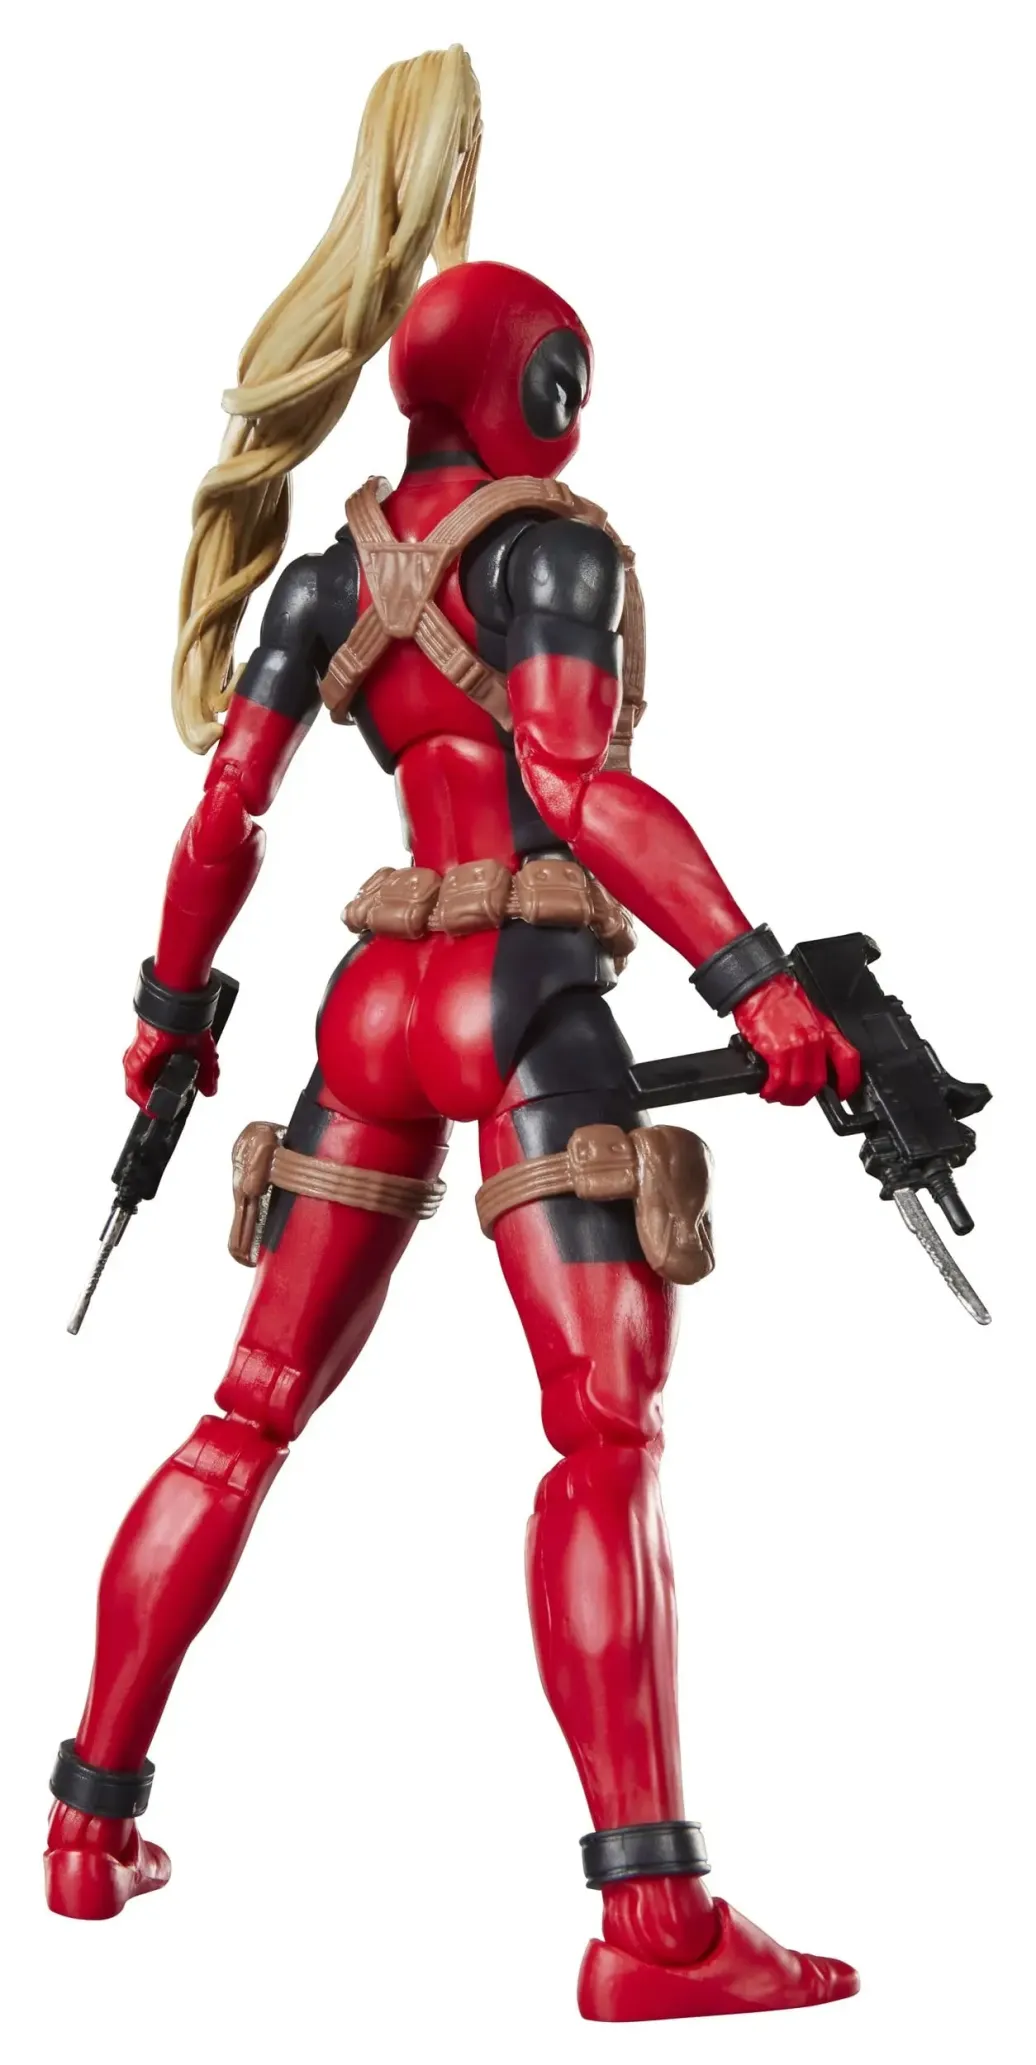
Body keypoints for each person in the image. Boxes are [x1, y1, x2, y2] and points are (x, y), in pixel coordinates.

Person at [46, 45, 861, 2023]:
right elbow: (576, 794)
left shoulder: (326, 574)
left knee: (246, 1413)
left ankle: (83, 1828)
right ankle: (655, 1926)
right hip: (517, 1000)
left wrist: (168, 1025)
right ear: (542, 388)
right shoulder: (550, 550)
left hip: (370, 1007)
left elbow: (224, 818)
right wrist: (748, 976)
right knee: (601, 1433)